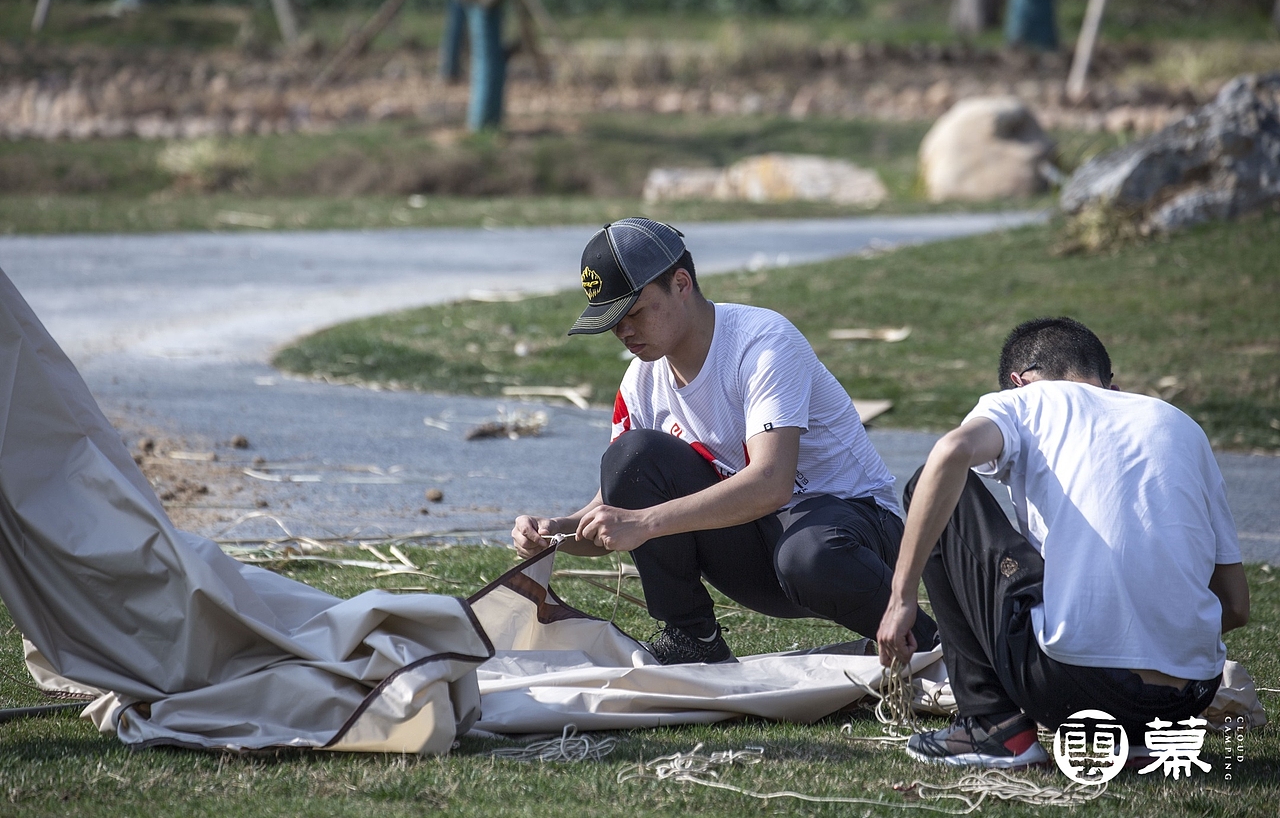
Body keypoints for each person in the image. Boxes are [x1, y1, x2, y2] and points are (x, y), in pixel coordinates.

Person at [511, 217, 937, 664]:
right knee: (631, 458)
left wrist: (646, 523)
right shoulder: (640, 380)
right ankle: (693, 639)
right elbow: (614, 512)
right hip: (763, 550)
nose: (624, 332)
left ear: (681, 284)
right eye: (612, 323)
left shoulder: (763, 343)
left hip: (853, 537)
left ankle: (932, 646)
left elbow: (771, 484)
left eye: (633, 313)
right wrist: (554, 532)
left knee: (808, 556)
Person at [876, 317, 1250, 768]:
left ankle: (994, 730)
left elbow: (951, 453)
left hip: (1073, 686)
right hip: (1189, 696)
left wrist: (901, 599)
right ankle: (1133, 740)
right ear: (1110, 385)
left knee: (931, 489)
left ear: (1020, 381)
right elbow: (1236, 606)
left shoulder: (1026, 403)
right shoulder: (1181, 425)